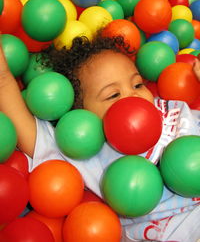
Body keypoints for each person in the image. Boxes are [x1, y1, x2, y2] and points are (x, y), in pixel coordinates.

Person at [0, 33, 200, 242]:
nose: (133, 97)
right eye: (113, 95)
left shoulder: (173, 110)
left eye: (138, 84)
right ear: (83, 115)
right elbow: (7, 92)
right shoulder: (82, 152)